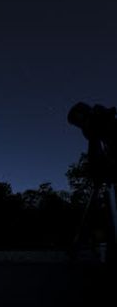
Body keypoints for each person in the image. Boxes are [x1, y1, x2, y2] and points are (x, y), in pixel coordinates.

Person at [68, 102, 117, 264]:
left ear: (84, 115)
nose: (78, 127)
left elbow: (95, 153)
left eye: (77, 121)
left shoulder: (98, 123)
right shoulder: (96, 125)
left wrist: (98, 171)